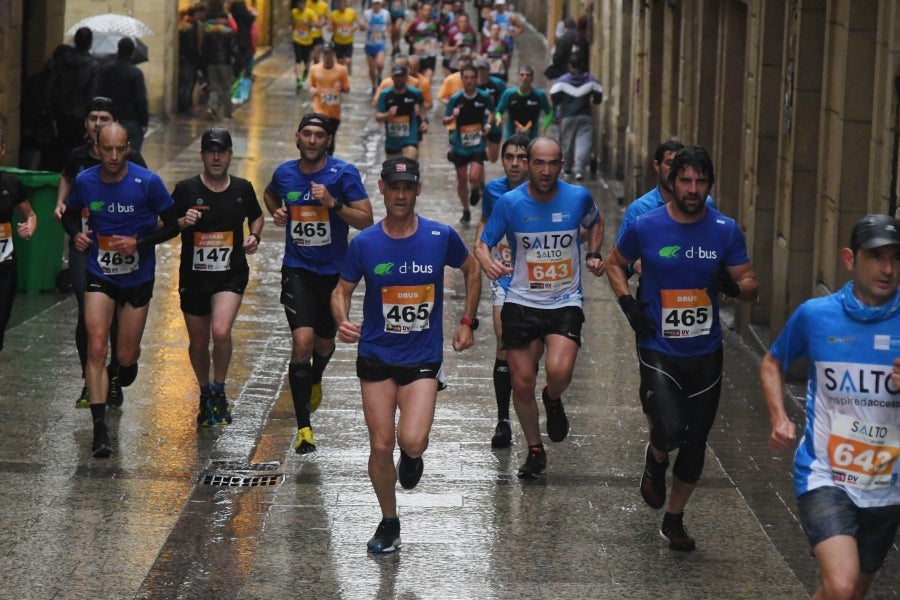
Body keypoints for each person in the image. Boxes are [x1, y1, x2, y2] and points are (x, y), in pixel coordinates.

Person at [605, 145, 758, 551]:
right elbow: (614, 263)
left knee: (695, 441)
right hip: (658, 343)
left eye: (700, 182)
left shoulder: (725, 229)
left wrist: (733, 287)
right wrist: (627, 304)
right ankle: (656, 455)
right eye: (686, 180)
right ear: (672, 183)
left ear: (709, 185)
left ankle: (674, 518)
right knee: (671, 430)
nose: (693, 189)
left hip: (706, 353)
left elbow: (751, 285)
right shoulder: (646, 225)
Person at [331, 157, 481, 553]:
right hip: (377, 355)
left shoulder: (439, 236)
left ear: (418, 189)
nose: (400, 194)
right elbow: (341, 290)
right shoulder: (364, 243)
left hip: (421, 358)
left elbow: (472, 269)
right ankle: (389, 521)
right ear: (381, 188)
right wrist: (342, 320)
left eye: (407, 187)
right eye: (394, 187)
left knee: (411, 440)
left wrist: (467, 321)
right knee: (381, 445)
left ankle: (413, 457)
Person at [760, 214, 900, 599]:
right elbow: (772, 362)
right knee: (842, 583)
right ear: (849, 259)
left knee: (848, 592)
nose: (887, 268)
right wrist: (779, 418)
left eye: (895, 257)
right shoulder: (816, 316)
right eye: (875, 256)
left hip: (887, 486)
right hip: (825, 474)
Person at [476, 137, 605, 477]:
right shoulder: (510, 203)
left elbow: (596, 222)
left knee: (559, 372)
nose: (545, 171)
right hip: (521, 301)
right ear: (529, 164)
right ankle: (535, 450)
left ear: (561, 164)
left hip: (565, 300)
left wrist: (593, 252)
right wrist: (488, 263)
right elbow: (482, 242)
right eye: (539, 163)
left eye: (552, 164)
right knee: (521, 382)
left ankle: (552, 397)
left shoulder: (578, 197)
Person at [61, 122, 179, 458]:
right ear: (97, 148)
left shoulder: (148, 182)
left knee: (125, 357)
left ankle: (124, 368)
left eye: (120, 149)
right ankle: (100, 433)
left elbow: (172, 225)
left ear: (128, 148)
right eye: (107, 149)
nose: (113, 156)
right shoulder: (86, 181)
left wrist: (139, 242)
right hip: (101, 274)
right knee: (96, 345)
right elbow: (69, 215)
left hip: (138, 278)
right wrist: (77, 235)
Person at [264, 113, 373, 454]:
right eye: (307, 134)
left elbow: (366, 219)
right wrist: (277, 212)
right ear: (297, 137)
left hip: (334, 277)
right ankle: (304, 429)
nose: (312, 140)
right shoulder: (284, 173)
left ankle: (316, 377)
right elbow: (269, 195)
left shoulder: (343, 174)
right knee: (303, 342)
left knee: (324, 345)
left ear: (328, 140)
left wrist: (333, 203)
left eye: (319, 135)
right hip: (297, 270)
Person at [53, 96, 149, 410]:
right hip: (88, 246)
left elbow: (148, 197)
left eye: (104, 117)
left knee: (119, 314)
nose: (98, 123)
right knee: (88, 310)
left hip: (121, 247)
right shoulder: (78, 158)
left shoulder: (131, 160)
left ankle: (116, 376)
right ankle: (90, 379)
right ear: (86, 124)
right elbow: (67, 181)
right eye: (93, 117)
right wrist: (63, 208)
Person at [171, 128, 264, 427]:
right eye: (210, 151)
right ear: (202, 154)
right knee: (199, 342)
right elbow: (163, 222)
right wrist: (183, 221)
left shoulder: (242, 188)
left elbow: (257, 215)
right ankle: (204, 393)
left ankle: (220, 389)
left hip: (230, 274)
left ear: (229, 155)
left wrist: (255, 236)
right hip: (194, 277)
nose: (215, 157)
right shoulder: (185, 189)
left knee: (221, 331)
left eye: (221, 151)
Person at [475, 133, 530, 448]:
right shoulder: (494, 190)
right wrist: (481, 247)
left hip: (538, 282)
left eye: (521, 157)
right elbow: (484, 222)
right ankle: (503, 420)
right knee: (504, 342)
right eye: (509, 157)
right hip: (505, 275)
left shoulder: (542, 191)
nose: (514, 163)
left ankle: (528, 395)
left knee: (529, 354)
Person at [615, 140, 717, 277]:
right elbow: (617, 260)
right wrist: (633, 266)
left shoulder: (707, 204)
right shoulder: (640, 209)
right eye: (670, 164)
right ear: (657, 165)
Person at [0, 121, 37, 358]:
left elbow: (30, 214)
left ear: (2, 149)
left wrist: (29, 227)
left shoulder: (11, 184)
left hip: (4, 265)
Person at [442, 64, 494, 224]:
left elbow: (492, 112)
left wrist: (488, 125)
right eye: (466, 78)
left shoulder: (484, 96)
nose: (470, 81)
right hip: (459, 145)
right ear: (462, 79)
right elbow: (445, 120)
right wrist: (452, 117)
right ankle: (466, 210)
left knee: (475, 175)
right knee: (462, 179)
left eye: (472, 77)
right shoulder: (456, 98)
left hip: (477, 143)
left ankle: (476, 189)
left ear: (476, 78)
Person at [44, 27, 100, 170]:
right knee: (80, 154)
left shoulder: (61, 61)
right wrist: (90, 120)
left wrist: (52, 117)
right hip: (81, 117)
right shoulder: (93, 66)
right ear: (90, 43)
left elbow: (50, 89)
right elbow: (91, 96)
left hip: (61, 114)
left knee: (61, 152)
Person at [549, 58, 603, 182]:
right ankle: (579, 170)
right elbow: (598, 95)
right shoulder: (590, 80)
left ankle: (567, 168)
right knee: (583, 142)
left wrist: (560, 105)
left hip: (568, 116)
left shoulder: (562, 81)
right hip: (585, 116)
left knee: (567, 143)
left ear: (570, 65)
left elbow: (554, 97)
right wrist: (593, 101)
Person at [94, 37, 149, 152]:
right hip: (131, 120)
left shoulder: (106, 69)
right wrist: (144, 121)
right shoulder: (136, 73)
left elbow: (98, 92)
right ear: (132, 53)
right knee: (133, 154)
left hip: (110, 117)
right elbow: (141, 99)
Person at [374, 63, 426, 160]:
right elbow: (377, 116)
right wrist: (388, 115)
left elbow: (423, 108)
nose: (399, 79)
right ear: (392, 77)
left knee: (409, 165)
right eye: (396, 76)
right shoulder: (385, 94)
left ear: (406, 77)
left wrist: (423, 122)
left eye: (402, 76)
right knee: (393, 172)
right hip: (392, 140)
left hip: (410, 137)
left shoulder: (415, 93)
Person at [309, 42, 350, 155]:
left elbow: (347, 88)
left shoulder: (341, 70)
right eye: (325, 53)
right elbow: (312, 85)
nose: (327, 56)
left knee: (330, 139)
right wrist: (312, 90)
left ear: (333, 54)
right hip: (319, 110)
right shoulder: (314, 69)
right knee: (320, 136)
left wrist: (341, 87)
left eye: (329, 53)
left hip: (334, 112)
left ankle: (328, 160)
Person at [495, 65, 553, 142]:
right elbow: (499, 111)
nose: (524, 77)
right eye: (522, 75)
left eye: (528, 75)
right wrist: (498, 119)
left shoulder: (539, 95)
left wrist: (544, 127)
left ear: (532, 78)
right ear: (518, 77)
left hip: (531, 137)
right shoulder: (509, 94)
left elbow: (549, 112)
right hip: (511, 136)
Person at [474, 59, 505, 164]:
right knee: (477, 156)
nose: (481, 72)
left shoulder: (498, 84)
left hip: (495, 121)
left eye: (483, 69)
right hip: (477, 121)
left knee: (493, 158)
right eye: (479, 69)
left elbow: (502, 104)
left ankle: (484, 153)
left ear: (489, 70)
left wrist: (498, 117)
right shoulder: (472, 85)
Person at [178, 5, 205, 114]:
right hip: (189, 60)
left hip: (186, 59)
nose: (201, 16)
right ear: (195, 14)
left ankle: (185, 106)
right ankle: (185, 107)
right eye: (199, 13)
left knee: (186, 84)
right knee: (187, 84)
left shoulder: (184, 25)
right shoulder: (191, 27)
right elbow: (191, 46)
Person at [404, 1, 440, 81]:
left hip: (431, 55)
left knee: (428, 80)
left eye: (429, 10)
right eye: (426, 10)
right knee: (415, 80)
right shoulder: (415, 23)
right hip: (418, 56)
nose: (428, 12)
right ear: (421, 11)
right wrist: (413, 45)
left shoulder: (435, 23)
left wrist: (438, 44)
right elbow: (406, 36)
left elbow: (440, 35)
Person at [361, 0, 390, 97]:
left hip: (380, 44)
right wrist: (364, 27)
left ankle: (380, 76)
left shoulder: (386, 14)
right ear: (372, 4)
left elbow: (389, 25)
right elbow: (362, 27)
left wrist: (386, 32)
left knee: (380, 64)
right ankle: (374, 85)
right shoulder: (367, 14)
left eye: (378, 3)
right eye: (375, 3)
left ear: (381, 4)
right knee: (371, 68)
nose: (376, 5)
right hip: (369, 44)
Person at [291, 0, 320, 91]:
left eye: (303, 3)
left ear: (305, 4)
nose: (301, 6)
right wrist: (291, 28)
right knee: (298, 58)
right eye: (299, 3)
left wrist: (309, 23)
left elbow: (318, 24)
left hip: (307, 41)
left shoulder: (310, 13)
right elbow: (292, 22)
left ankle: (306, 71)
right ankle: (298, 79)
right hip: (297, 39)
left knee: (306, 60)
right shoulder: (294, 12)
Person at [329, 0, 363, 74]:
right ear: (337, 4)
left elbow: (358, 23)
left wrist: (353, 28)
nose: (341, 5)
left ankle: (349, 67)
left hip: (348, 41)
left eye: (343, 3)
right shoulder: (333, 14)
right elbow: (330, 27)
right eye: (339, 3)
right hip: (338, 41)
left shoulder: (351, 12)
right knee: (340, 62)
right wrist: (334, 28)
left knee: (348, 60)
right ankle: (342, 76)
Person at [229, 0, 257, 77]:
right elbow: (251, 18)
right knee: (245, 58)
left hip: (236, 39)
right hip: (245, 39)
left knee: (238, 59)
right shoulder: (245, 14)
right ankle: (245, 75)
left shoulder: (233, 12)